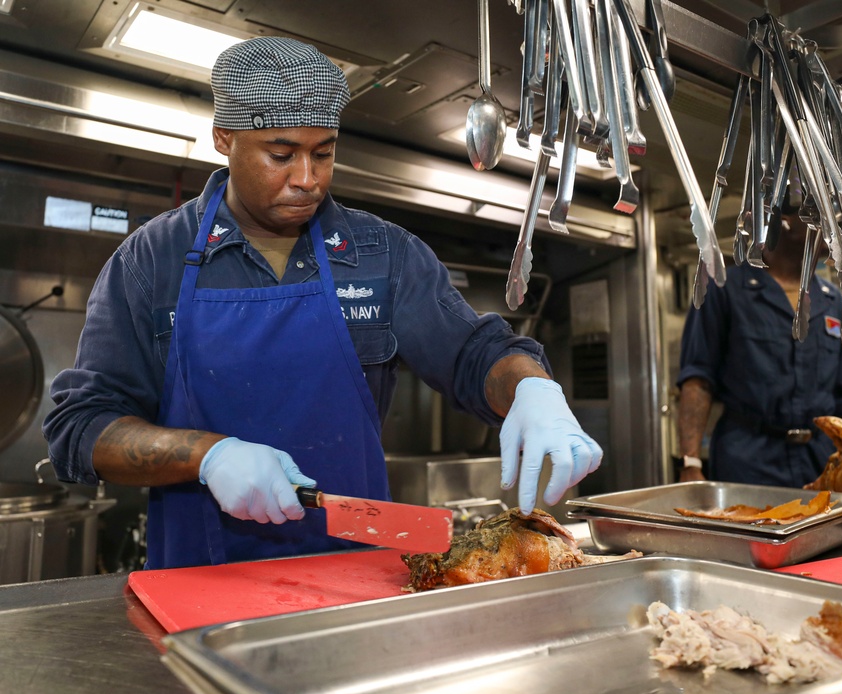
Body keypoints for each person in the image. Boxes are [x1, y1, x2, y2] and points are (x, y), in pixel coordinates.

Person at [42, 36, 602, 569]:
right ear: (223, 138)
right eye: (281, 154)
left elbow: (475, 354)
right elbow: (82, 426)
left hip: (359, 574)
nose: (307, 180)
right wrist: (206, 456)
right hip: (199, 579)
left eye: (323, 153)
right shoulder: (152, 260)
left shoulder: (382, 253)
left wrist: (530, 386)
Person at [675, 200, 842, 488]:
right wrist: (690, 463)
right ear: (785, 222)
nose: (834, 228)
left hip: (821, 461)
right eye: (822, 217)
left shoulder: (834, 301)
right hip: (748, 462)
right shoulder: (723, 289)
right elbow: (697, 381)